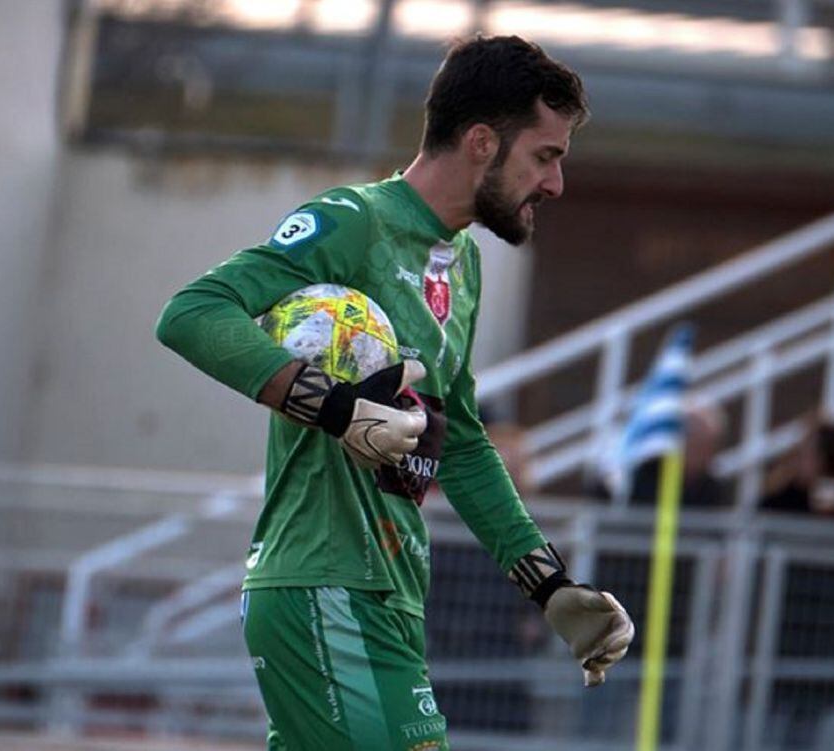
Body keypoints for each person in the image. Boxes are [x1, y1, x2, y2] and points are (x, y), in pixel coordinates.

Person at [156, 35, 634, 750]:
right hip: (325, 581)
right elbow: (192, 314)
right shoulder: (355, 222)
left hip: (393, 593)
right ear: (481, 142)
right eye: (546, 155)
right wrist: (337, 408)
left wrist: (549, 585)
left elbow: (464, 446)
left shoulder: (462, 264)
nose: (556, 184)